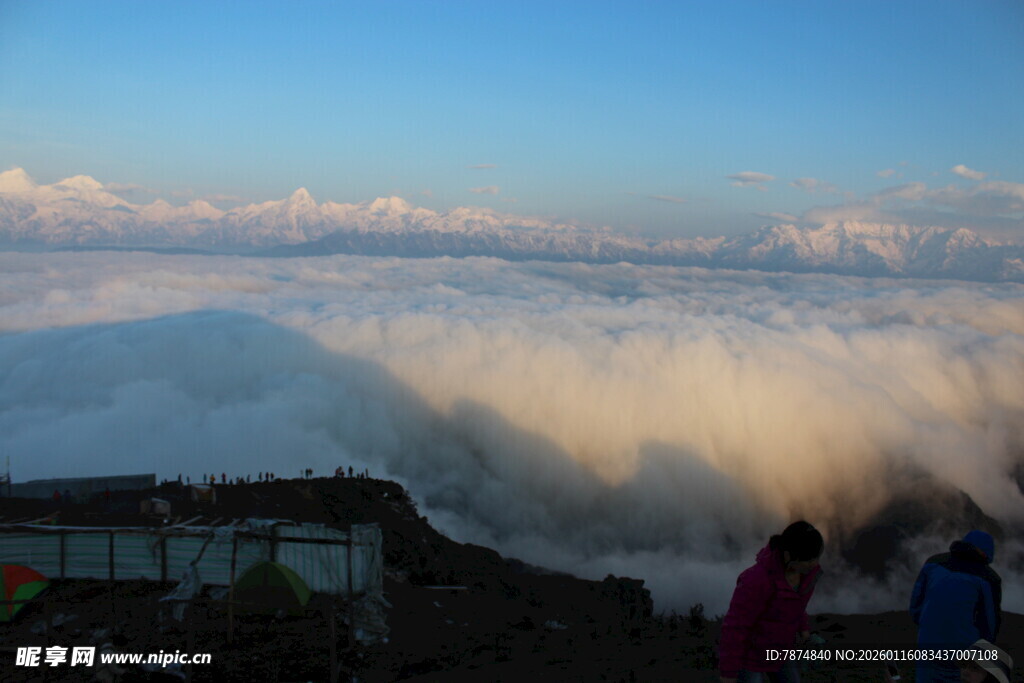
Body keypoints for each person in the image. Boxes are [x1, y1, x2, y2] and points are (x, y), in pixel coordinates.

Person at [719, 521, 824, 683]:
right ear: (789, 555)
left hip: (782, 653)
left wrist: (803, 629)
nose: (814, 564)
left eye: (816, 557)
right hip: (750, 659)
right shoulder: (756, 580)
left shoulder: (807, 575)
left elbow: (796, 604)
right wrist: (728, 673)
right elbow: (735, 627)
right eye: (808, 559)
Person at [910, 530, 1001, 683]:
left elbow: (916, 605)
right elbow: (989, 624)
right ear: (986, 554)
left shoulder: (933, 563)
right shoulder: (989, 578)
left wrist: (928, 626)